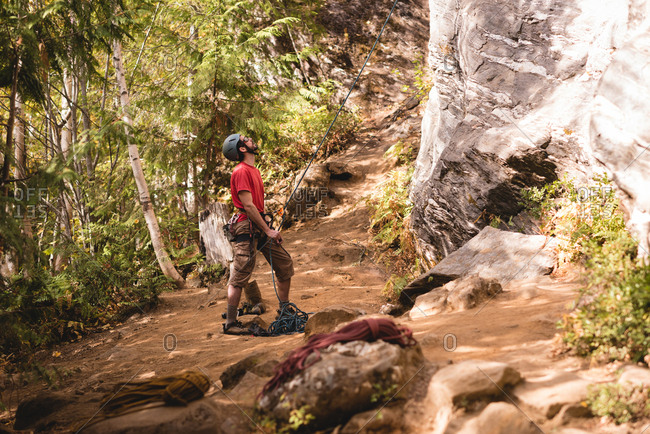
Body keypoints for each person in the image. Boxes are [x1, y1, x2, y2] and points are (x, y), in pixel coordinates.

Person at [221, 133, 294, 335]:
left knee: (284, 263)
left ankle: (284, 310)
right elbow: (248, 206)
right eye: (246, 139)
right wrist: (267, 230)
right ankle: (230, 323)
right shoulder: (241, 171)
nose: (251, 139)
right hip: (247, 226)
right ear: (242, 149)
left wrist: (267, 228)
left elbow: (256, 208)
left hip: (259, 224)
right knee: (240, 274)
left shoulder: (253, 170)